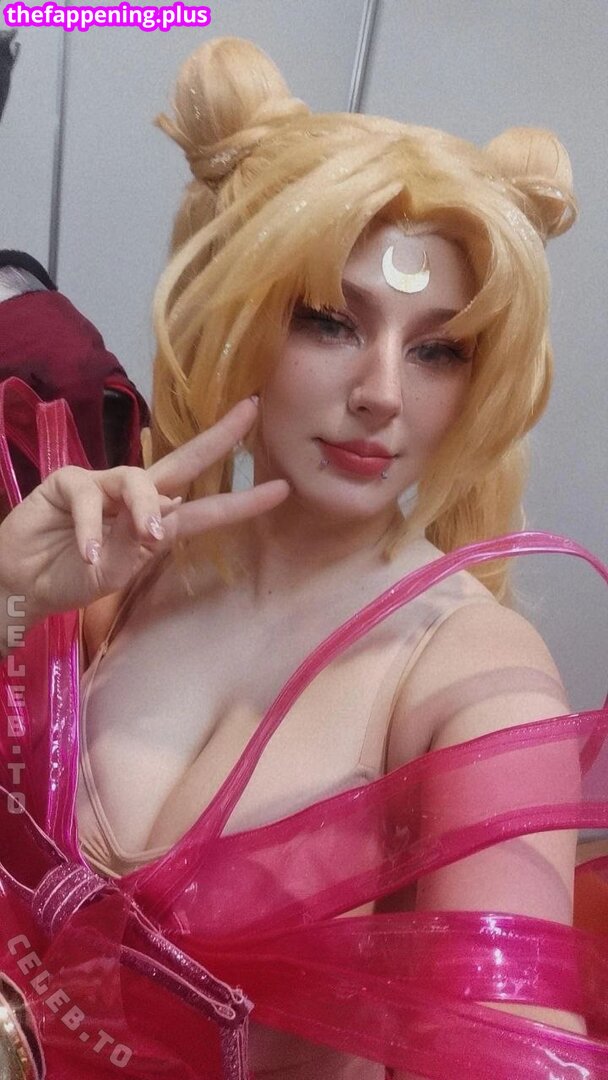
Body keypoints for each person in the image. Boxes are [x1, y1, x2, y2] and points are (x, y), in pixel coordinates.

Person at [0, 35, 607, 1080]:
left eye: (437, 348)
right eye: (329, 322)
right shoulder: (131, 567)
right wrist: (8, 601)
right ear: (237, 318)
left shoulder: (473, 674)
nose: (381, 392)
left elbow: (509, 1044)